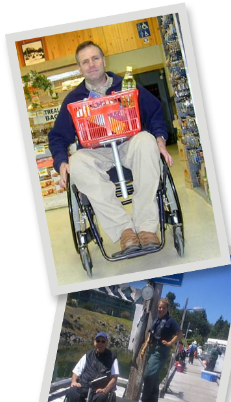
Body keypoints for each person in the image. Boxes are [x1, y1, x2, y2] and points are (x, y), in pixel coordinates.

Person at [48, 41, 173, 255]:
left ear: (104, 61)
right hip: (97, 151)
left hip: (129, 144)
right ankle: (125, 231)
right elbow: (58, 136)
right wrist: (61, 162)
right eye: (85, 62)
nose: (91, 64)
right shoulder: (73, 100)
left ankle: (146, 229)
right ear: (80, 68)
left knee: (146, 140)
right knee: (77, 161)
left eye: (95, 58)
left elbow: (154, 112)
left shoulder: (127, 85)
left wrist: (160, 140)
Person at [63, 332, 119, 402]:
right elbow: (76, 371)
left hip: (99, 390)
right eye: (98, 341)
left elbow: (114, 378)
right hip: (84, 385)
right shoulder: (88, 355)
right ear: (94, 342)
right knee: (72, 392)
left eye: (103, 341)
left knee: (101, 398)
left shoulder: (112, 357)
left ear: (106, 343)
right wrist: (74, 381)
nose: (100, 343)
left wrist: (106, 389)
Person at [139, 298, 183, 402]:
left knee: (148, 375)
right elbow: (150, 336)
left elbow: (179, 334)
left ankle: (144, 399)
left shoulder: (171, 321)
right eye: (159, 307)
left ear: (167, 308)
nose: (161, 309)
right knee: (154, 377)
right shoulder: (156, 320)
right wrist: (143, 349)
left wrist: (169, 343)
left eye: (163, 307)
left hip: (161, 351)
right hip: (152, 349)